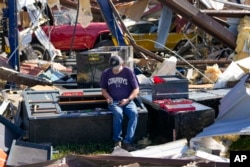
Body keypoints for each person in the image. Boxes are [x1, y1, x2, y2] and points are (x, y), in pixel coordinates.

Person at [100, 55, 140, 151]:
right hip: (114, 101)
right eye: (113, 67)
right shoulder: (106, 73)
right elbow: (103, 89)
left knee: (134, 113)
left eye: (117, 67)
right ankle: (117, 141)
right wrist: (108, 97)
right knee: (118, 114)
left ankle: (128, 141)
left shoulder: (128, 72)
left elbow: (136, 89)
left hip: (128, 100)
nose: (115, 69)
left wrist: (128, 99)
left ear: (122, 64)